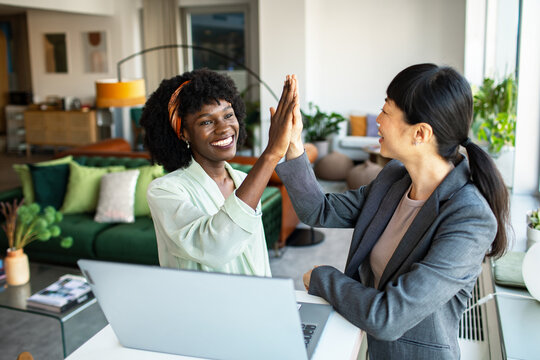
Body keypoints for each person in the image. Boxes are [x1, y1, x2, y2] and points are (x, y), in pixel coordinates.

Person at [276, 64, 509, 359]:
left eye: (386, 111)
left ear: (421, 133)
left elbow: (389, 317)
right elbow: (318, 210)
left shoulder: (470, 218)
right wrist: (294, 143)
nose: (379, 122)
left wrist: (323, 277)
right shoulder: (394, 179)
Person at [141, 69, 298, 276]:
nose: (224, 128)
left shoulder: (244, 181)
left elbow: (257, 261)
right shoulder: (165, 190)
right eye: (207, 121)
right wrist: (271, 154)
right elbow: (215, 247)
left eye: (228, 115)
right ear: (184, 133)